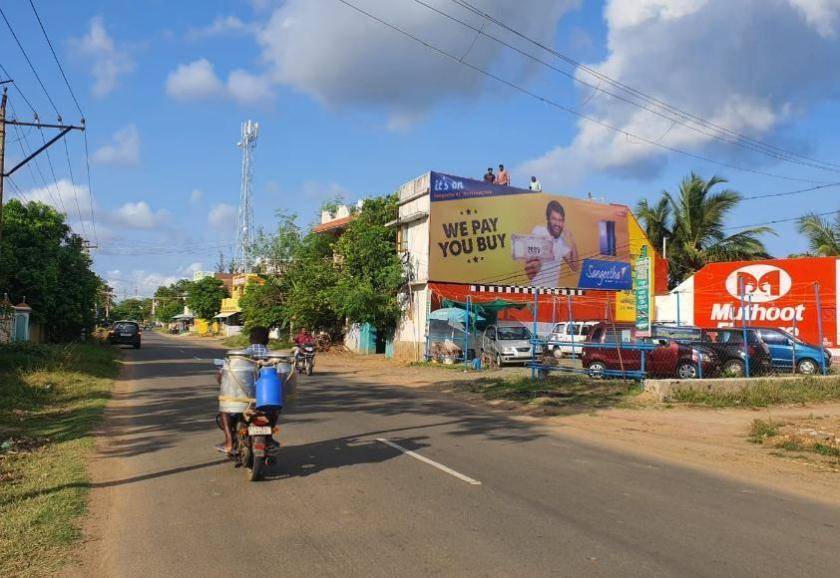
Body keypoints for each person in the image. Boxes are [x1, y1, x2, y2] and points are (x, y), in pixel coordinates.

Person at [216, 326, 277, 455]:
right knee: (275, 410)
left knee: (225, 410)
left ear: (251, 339)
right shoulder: (273, 357)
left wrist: (221, 378)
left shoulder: (240, 356)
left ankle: (229, 443)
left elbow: (224, 374)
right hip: (266, 398)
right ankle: (270, 438)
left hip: (243, 398)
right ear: (267, 340)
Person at [524, 200, 579, 287]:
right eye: (554, 219)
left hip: (552, 294)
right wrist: (544, 256)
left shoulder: (562, 242)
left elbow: (575, 267)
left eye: (560, 220)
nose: (557, 224)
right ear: (548, 219)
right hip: (537, 293)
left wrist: (572, 240)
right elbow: (530, 274)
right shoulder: (538, 231)